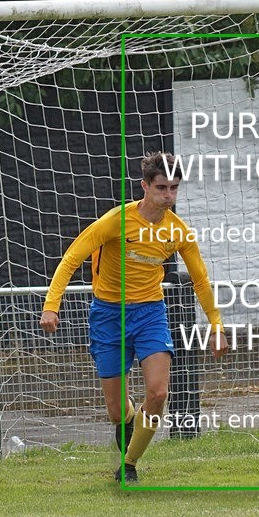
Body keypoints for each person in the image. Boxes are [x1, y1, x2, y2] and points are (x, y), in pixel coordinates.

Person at [40, 152, 229, 483]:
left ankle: (128, 465)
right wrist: (51, 305)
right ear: (145, 186)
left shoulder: (178, 231)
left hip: (150, 313)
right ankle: (127, 421)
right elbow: (72, 257)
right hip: (108, 315)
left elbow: (200, 279)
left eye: (174, 188)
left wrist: (216, 326)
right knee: (116, 413)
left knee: (157, 394)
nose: (168, 195)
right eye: (161, 188)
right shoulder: (116, 220)